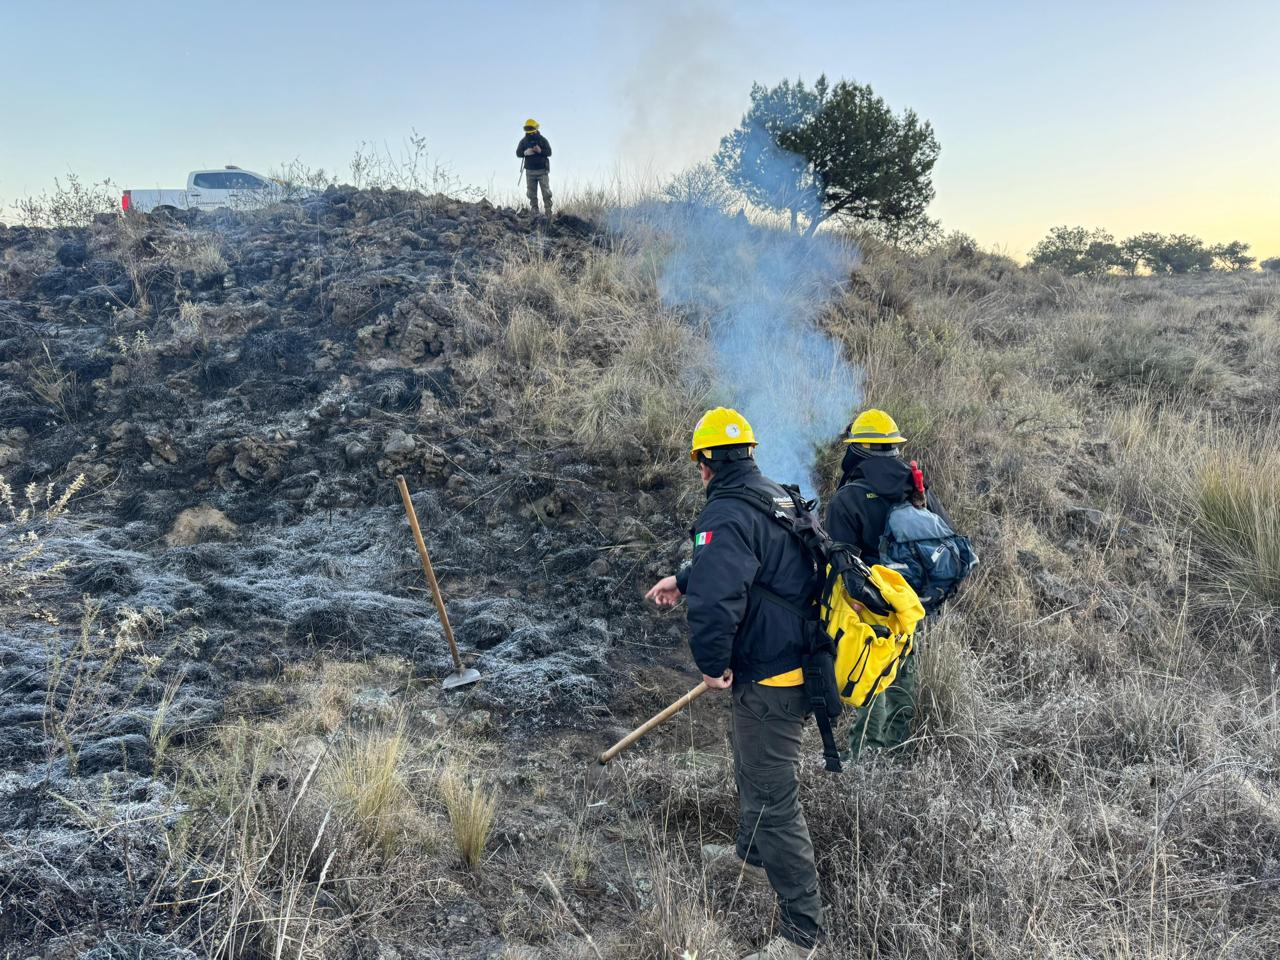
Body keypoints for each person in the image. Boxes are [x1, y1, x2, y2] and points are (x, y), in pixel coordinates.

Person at [646, 408, 824, 960]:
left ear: (704, 464)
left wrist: (711, 663)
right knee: (750, 763)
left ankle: (802, 934)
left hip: (772, 673)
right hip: (796, 659)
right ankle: (751, 856)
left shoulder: (725, 511)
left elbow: (717, 601)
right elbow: (757, 563)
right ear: (747, 455)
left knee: (772, 794)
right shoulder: (775, 496)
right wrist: (685, 576)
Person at [824, 408, 950, 756]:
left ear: (857, 449)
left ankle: (865, 757)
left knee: (873, 677)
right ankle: (898, 750)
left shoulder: (849, 498)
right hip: (912, 604)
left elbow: (838, 560)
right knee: (903, 675)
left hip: (870, 606)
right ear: (894, 446)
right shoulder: (917, 487)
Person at [516, 118, 552, 216]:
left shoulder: (543, 140)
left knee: (546, 193)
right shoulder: (523, 141)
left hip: (542, 171)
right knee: (531, 194)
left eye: (532, 131)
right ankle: (535, 212)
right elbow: (518, 153)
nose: (531, 134)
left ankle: (548, 212)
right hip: (530, 172)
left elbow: (549, 152)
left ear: (536, 129)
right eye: (529, 131)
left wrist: (540, 151)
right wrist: (525, 152)